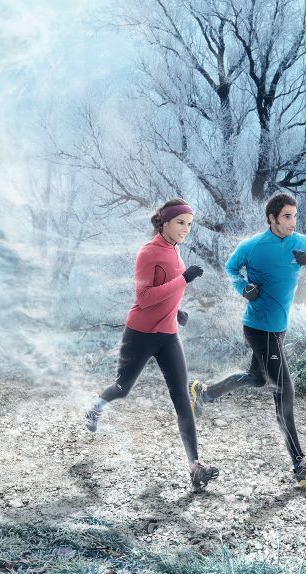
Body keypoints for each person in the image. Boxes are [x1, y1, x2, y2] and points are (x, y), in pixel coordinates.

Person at [189, 192, 306, 487]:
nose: (293, 222)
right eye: (287, 217)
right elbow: (230, 268)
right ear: (272, 219)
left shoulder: (302, 244)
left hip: (279, 328)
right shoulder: (252, 246)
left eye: (295, 216)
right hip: (257, 327)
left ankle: (205, 392)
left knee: (256, 378)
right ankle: (300, 465)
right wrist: (243, 287)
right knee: (284, 391)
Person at [85, 199, 219, 491]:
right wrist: (184, 279)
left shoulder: (175, 250)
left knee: (182, 399)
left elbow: (168, 290)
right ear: (165, 222)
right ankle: (96, 407)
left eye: (189, 224)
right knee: (122, 388)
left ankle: (195, 467)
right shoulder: (148, 252)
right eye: (181, 223)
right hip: (141, 334)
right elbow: (144, 297)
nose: (186, 229)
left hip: (168, 336)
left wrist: (176, 310)